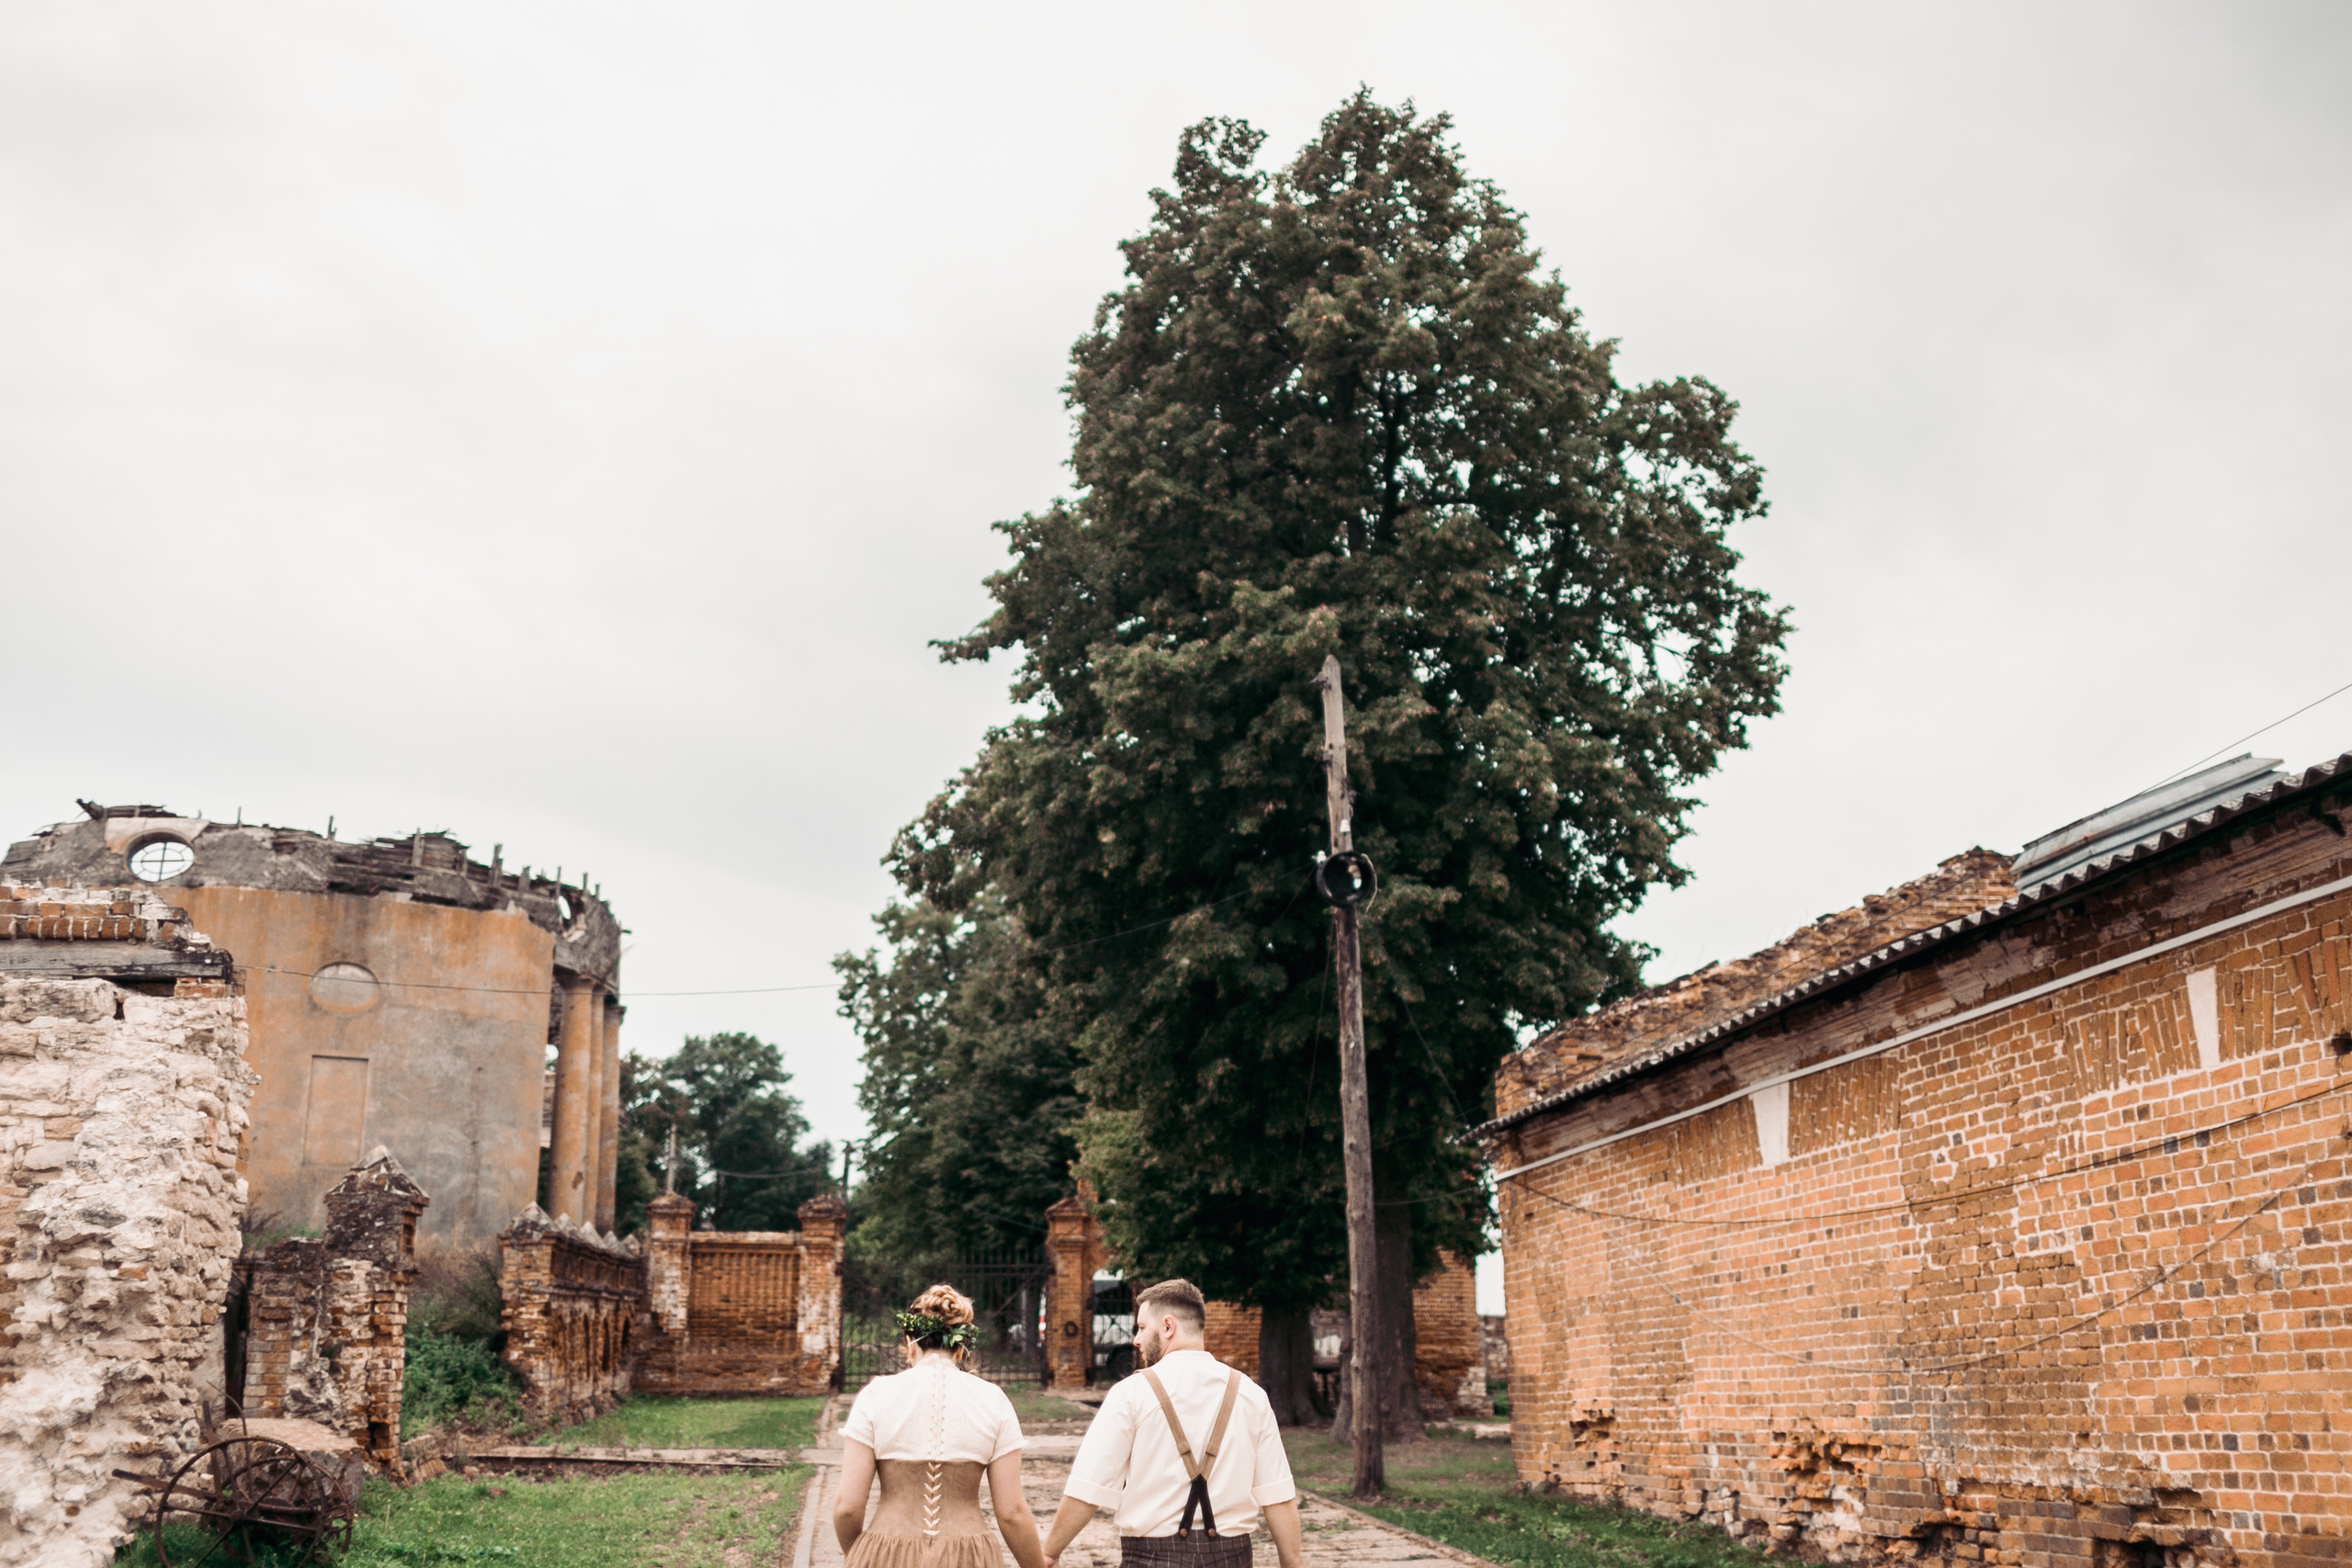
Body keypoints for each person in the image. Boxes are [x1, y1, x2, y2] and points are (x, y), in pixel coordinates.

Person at [1041, 1279, 1303, 1568]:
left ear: (1168, 1326)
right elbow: (1277, 1497)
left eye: (1141, 1328)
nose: (1136, 1339)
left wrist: (1050, 1552)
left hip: (1150, 1558)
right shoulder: (1250, 1394)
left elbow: (1087, 1490)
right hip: (1234, 1558)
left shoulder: (1131, 1394)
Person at [837, 1283, 1048, 1568]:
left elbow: (847, 1508)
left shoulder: (876, 1395)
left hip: (884, 1552)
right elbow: (1012, 1513)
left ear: (910, 1344)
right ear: (961, 1349)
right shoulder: (993, 1400)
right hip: (970, 1556)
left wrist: (860, 1556)